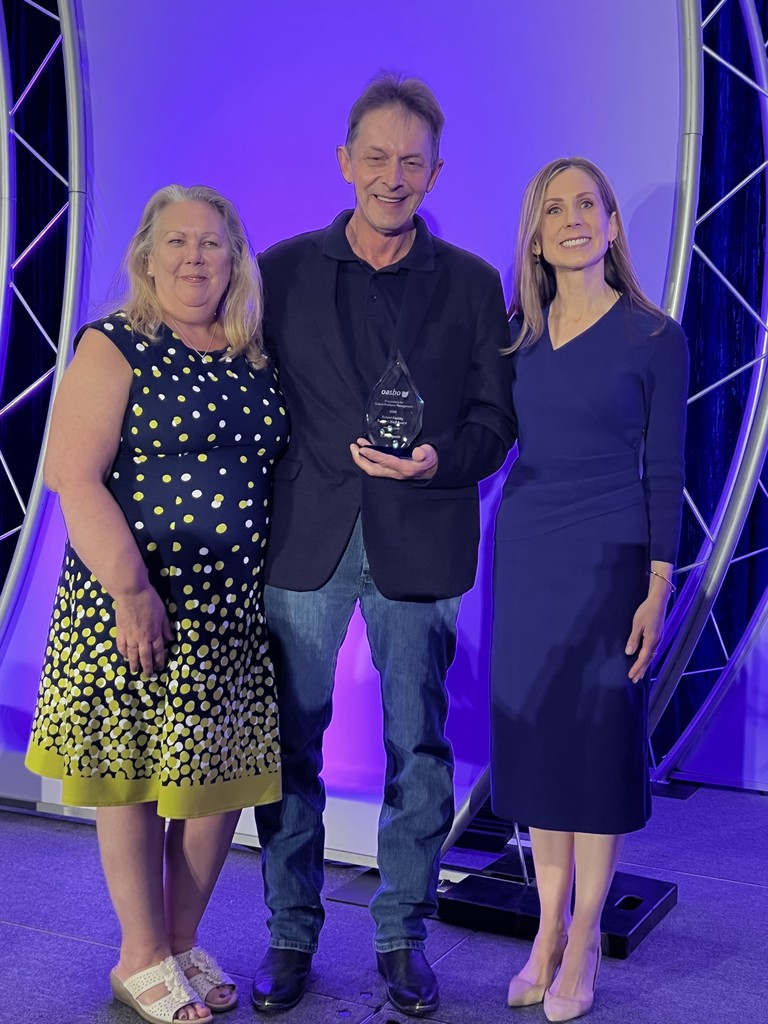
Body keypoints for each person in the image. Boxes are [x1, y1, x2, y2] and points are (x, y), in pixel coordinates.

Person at [250, 72, 515, 1017]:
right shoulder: (276, 271)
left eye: (411, 161)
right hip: (305, 547)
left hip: (421, 542)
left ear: (436, 172)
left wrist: (443, 460)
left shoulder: (479, 286)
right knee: (289, 749)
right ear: (343, 161)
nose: (392, 175)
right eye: (376, 157)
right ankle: (290, 935)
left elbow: (498, 420)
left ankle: (402, 937)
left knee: (419, 750)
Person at [25, 184, 287, 1024]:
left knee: (217, 787)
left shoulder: (253, 354)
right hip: (133, 605)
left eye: (212, 244)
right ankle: (137, 955)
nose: (194, 259)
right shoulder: (114, 345)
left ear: (234, 259)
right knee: (134, 781)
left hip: (229, 614)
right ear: (146, 256)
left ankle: (179, 941)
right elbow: (72, 474)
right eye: (176, 242)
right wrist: (132, 592)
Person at [490, 157, 688, 1022]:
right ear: (536, 233)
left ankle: (582, 944)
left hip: (614, 564)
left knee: (595, 755)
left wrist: (657, 585)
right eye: (554, 209)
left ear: (611, 222)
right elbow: (487, 440)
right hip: (528, 556)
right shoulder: (516, 335)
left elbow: (669, 469)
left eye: (587, 205)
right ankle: (544, 930)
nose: (572, 219)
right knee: (540, 749)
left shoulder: (654, 336)